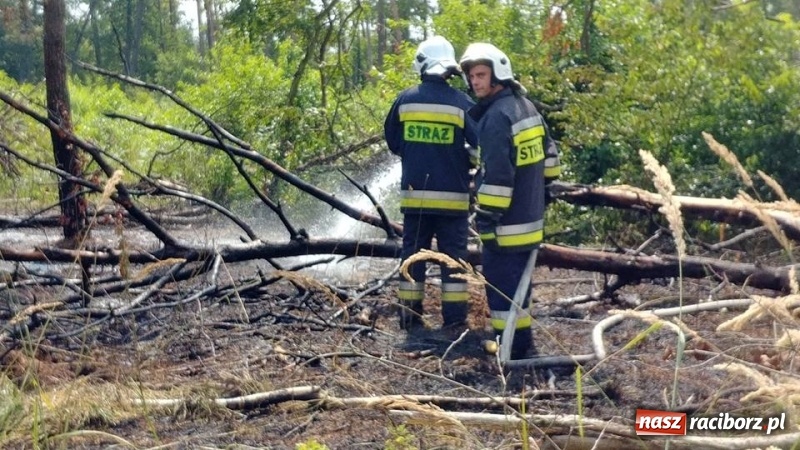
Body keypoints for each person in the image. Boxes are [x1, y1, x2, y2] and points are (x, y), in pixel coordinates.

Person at [459, 43, 562, 359]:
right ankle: (522, 345)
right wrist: (538, 191)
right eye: (472, 76)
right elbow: (552, 163)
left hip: (505, 228)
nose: (475, 81)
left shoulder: (496, 117)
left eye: (481, 75)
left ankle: (509, 354)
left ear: (498, 74)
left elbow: (498, 178)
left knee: (502, 294)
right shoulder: (527, 108)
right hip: (530, 223)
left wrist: (486, 220)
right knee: (520, 292)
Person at [384, 36, 479, 330]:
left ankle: (409, 317)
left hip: (416, 201)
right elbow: (481, 147)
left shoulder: (405, 100)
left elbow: (393, 141)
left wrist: (417, 153)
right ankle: (454, 322)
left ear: (422, 64)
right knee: (454, 263)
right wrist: (465, 159)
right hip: (454, 203)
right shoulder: (463, 103)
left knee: (412, 259)